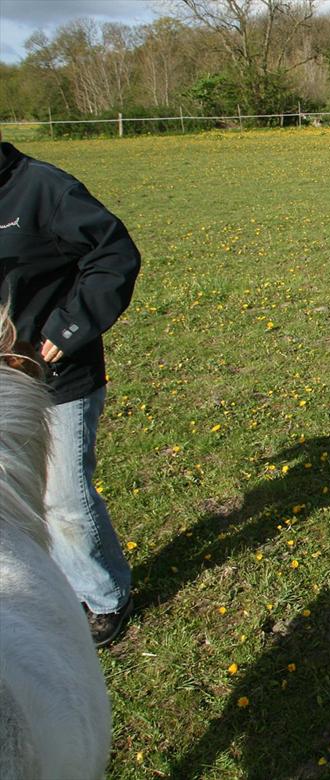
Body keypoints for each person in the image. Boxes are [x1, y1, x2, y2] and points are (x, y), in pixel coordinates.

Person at [0, 131, 141, 647]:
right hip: (1, 382)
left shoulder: (42, 189)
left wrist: (68, 328)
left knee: (63, 499)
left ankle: (105, 597)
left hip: (55, 376)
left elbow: (114, 255)